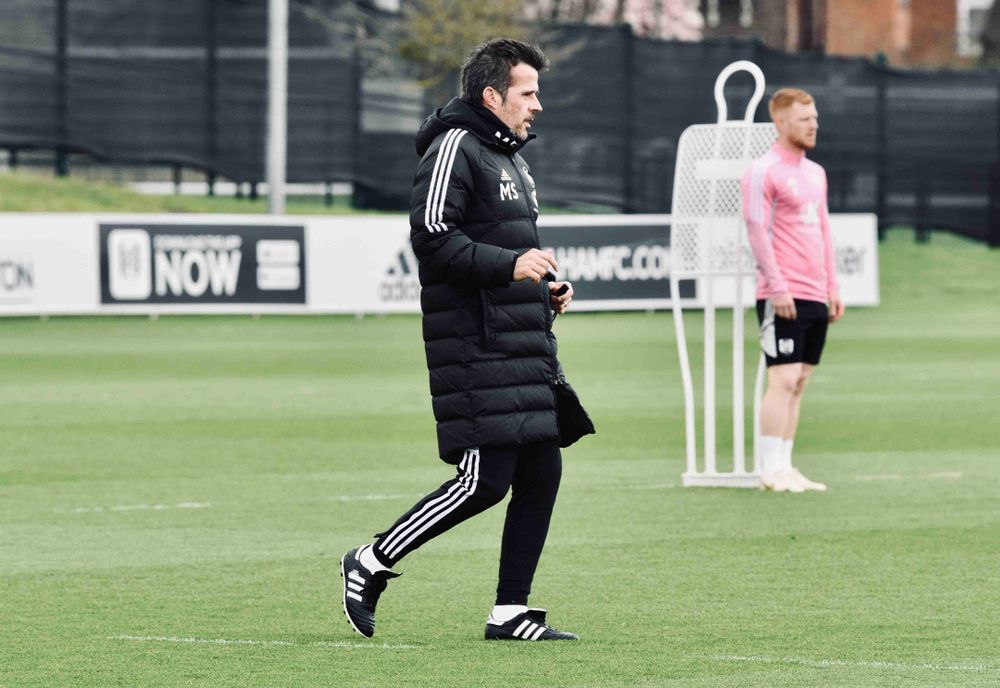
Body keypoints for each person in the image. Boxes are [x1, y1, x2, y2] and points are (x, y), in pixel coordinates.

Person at [340, 38, 590, 642]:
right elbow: (431, 238)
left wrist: (543, 289)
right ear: (491, 95)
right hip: (476, 344)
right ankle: (369, 561)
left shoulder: (512, 160)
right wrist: (510, 267)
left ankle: (510, 612)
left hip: (520, 340)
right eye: (528, 93)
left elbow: (508, 253)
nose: (537, 105)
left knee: (542, 469)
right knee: (485, 479)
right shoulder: (454, 145)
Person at [741, 88, 844, 493]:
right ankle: (769, 469)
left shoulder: (816, 173)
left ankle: (786, 465)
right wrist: (778, 286)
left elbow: (824, 231)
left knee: (799, 381)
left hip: (815, 292)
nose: (813, 124)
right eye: (804, 119)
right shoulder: (762, 170)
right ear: (781, 122)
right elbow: (757, 230)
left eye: (815, 118)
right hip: (781, 294)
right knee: (781, 380)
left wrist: (832, 286)